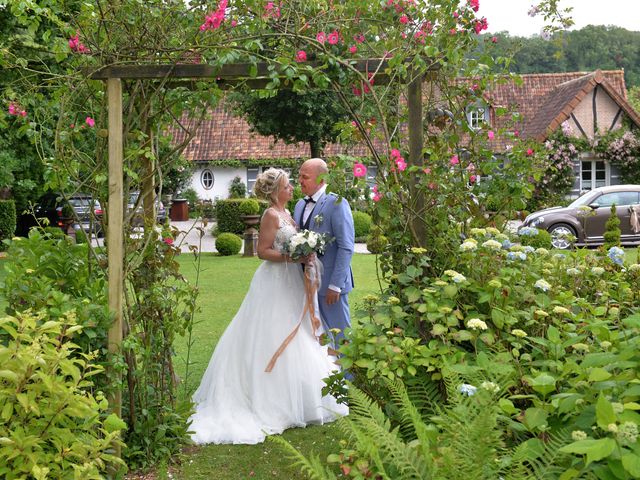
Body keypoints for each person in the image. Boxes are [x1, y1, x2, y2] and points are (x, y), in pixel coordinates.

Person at [189, 168, 347, 445]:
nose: (292, 190)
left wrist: (303, 254)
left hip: (292, 281)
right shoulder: (270, 215)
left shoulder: (289, 213)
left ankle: (304, 397)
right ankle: (270, 400)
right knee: (273, 331)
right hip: (275, 281)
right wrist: (293, 256)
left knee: (301, 334)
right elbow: (262, 251)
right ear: (276, 192)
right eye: (287, 186)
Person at [295, 158, 355, 349]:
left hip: (330, 287)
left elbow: (346, 246)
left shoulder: (337, 203)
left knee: (341, 337)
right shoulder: (299, 205)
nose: (300, 181)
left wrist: (335, 285)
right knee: (317, 340)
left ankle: (351, 378)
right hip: (305, 285)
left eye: (305, 177)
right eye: (299, 176)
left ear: (321, 179)